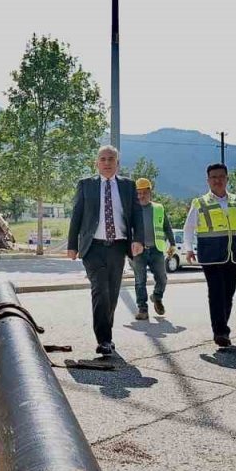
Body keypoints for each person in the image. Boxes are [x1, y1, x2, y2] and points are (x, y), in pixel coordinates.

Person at [67, 145, 144, 355]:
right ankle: (104, 340)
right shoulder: (86, 185)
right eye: (103, 159)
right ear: (97, 163)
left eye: (111, 159)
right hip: (93, 247)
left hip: (118, 247)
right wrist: (72, 245)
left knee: (112, 293)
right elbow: (77, 215)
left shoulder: (128, 186)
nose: (107, 163)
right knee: (100, 290)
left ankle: (106, 334)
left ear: (117, 163)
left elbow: (137, 214)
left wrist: (138, 239)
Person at [183, 163, 236, 349]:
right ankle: (220, 332)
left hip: (232, 254)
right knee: (216, 291)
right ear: (208, 180)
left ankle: (221, 328)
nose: (217, 180)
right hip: (210, 254)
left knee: (228, 293)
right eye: (213, 177)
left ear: (227, 179)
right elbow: (189, 227)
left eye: (221, 176)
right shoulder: (200, 203)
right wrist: (188, 249)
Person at [132, 177, 174, 321]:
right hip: (138, 251)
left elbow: (166, 227)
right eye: (138, 193)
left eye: (144, 192)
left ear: (150, 192)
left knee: (162, 278)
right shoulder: (131, 210)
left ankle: (157, 296)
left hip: (156, 249)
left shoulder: (158, 208)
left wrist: (172, 244)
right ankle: (142, 309)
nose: (141, 196)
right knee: (140, 281)